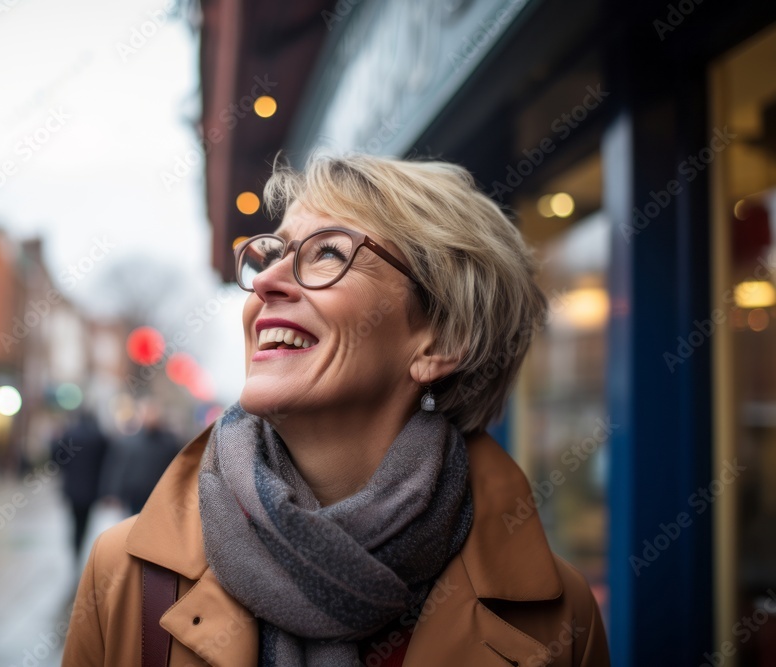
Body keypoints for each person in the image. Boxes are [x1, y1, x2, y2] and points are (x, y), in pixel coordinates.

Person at [62, 155, 611, 666]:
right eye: (272, 254)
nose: (267, 283)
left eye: (327, 252)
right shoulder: (125, 577)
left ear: (441, 341)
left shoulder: (560, 621)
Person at [52, 410, 111, 562]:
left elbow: (57, 457)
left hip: (72, 488)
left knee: (74, 522)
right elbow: (106, 461)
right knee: (85, 523)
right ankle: (80, 547)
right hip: (91, 489)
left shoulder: (70, 434)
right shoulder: (98, 437)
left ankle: (76, 550)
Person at [110, 404, 182, 516]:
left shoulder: (169, 442)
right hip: (135, 494)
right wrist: (116, 492)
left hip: (157, 494)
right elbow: (122, 467)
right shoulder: (131, 441)